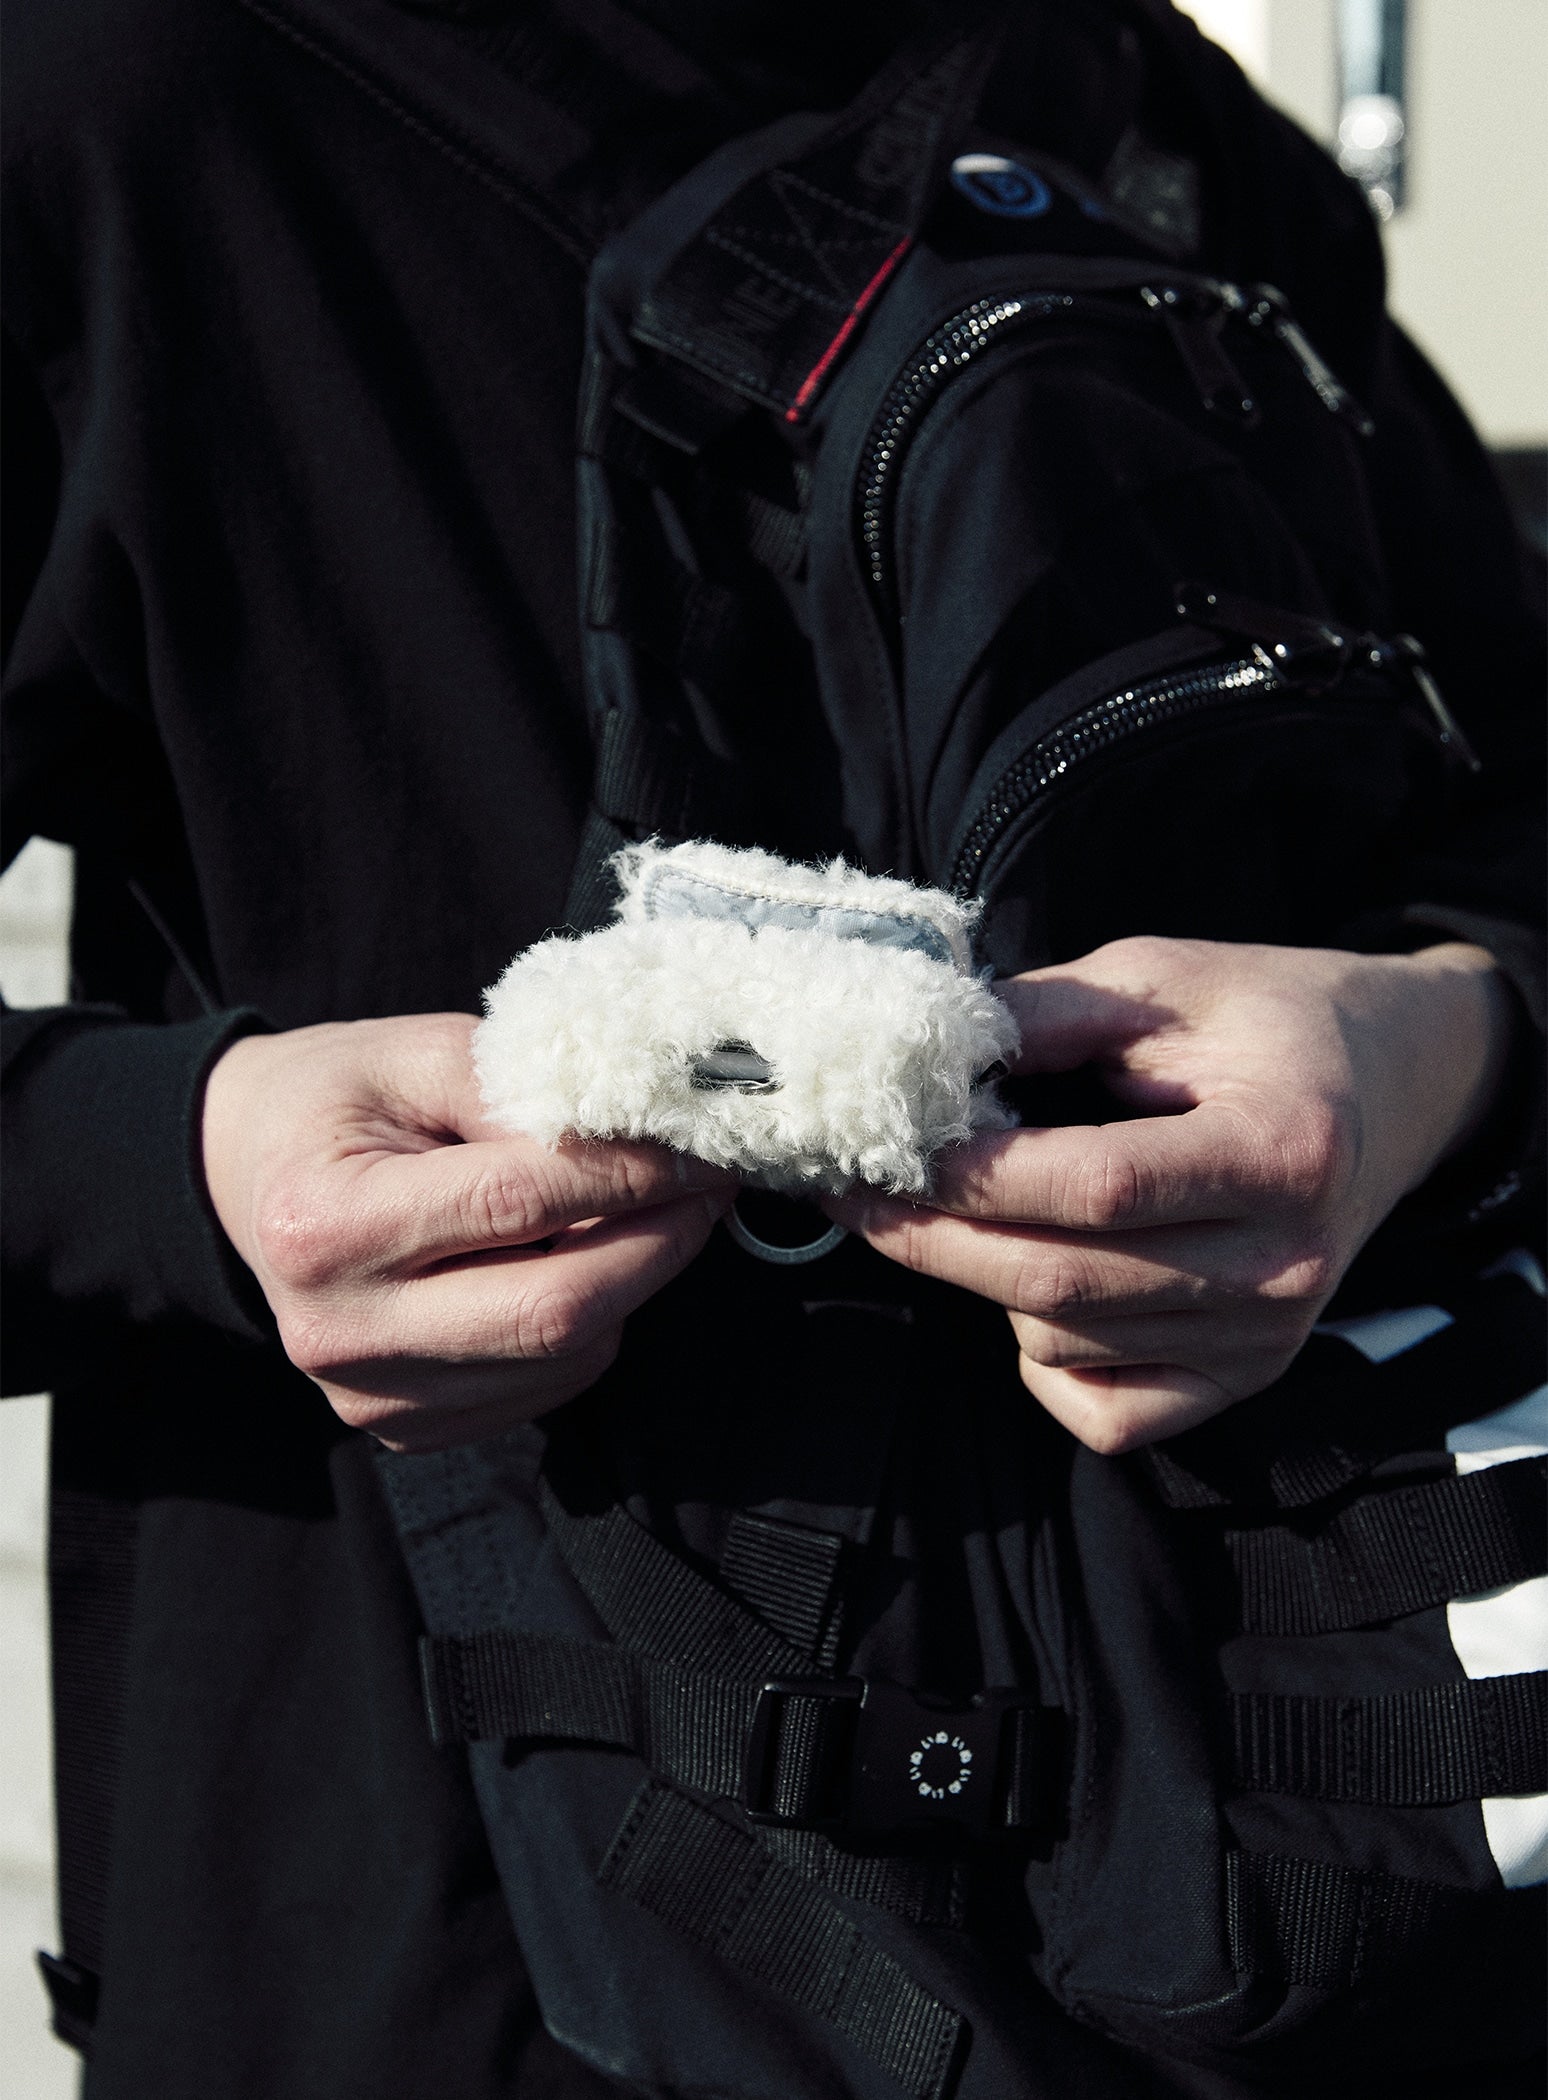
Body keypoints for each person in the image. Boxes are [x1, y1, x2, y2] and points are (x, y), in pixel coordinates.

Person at [4, 0, 1542, 2093]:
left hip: (1238, 1925)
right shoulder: (129, 94)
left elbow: (1505, 795)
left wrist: (1444, 1038)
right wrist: (181, 1165)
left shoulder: (1140, 111)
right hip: (438, 1951)